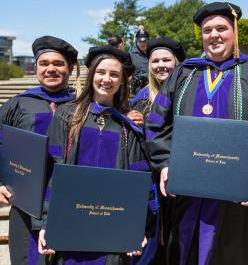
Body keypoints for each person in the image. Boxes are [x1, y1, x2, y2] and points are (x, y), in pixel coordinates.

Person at [145, 2, 248, 264]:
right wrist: (165, 164)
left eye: (221, 28)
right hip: (188, 194)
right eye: (207, 30)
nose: (214, 35)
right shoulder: (184, 73)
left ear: (234, 31)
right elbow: (157, 123)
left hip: (239, 201)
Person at [38, 45, 159, 264]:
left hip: (114, 224)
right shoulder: (68, 115)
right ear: (92, 75)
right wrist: (47, 224)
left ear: (122, 81)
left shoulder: (128, 124)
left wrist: (135, 228)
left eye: (114, 74)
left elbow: (137, 179)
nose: (106, 79)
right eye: (101, 72)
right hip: (70, 220)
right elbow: (52, 172)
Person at [0, 36, 77, 264]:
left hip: (72, 200)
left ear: (70, 69)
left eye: (58, 63)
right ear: (35, 68)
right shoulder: (17, 105)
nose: (51, 69)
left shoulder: (83, 106)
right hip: (26, 202)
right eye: (44, 63)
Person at [130, 37, 185, 117]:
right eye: (155, 61)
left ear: (177, 63)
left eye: (166, 60)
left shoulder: (188, 92)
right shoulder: (143, 98)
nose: (161, 65)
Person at [130, 29, 150, 94]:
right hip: (139, 91)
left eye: (144, 41)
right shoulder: (131, 55)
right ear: (137, 41)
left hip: (154, 88)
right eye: (140, 41)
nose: (142, 43)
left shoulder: (153, 53)